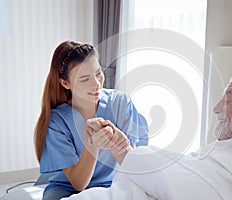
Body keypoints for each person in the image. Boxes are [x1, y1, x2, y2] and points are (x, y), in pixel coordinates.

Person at [64, 68, 232, 200]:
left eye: (227, 99)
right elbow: (174, 176)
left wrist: (129, 153)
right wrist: (122, 147)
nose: (216, 109)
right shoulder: (208, 155)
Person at [34, 40, 148, 200]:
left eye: (98, 73)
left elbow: (131, 165)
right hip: (68, 189)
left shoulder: (120, 103)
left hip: (113, 184)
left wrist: (117, 144)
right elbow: (78, 184)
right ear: (65, 83)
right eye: (84, 79)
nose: (96, 84)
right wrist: (92, 146)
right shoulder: (57, 121)